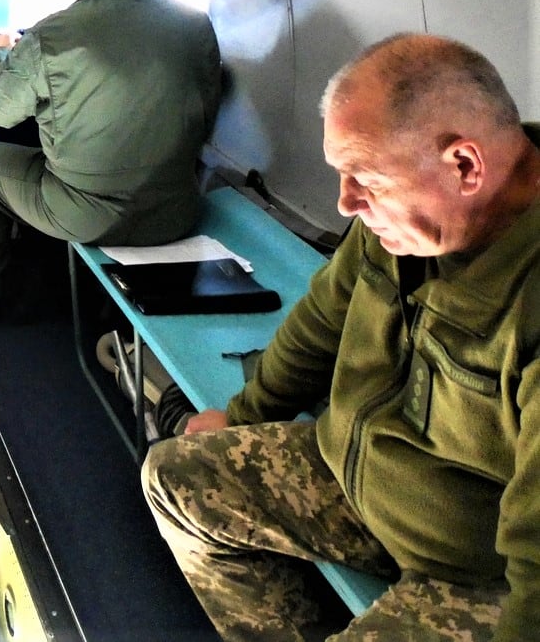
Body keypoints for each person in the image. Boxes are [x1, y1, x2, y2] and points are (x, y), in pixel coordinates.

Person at [143, 33, 540, 641]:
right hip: (358, 474)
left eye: (366, 179)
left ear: (464, 165)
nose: (346, 202)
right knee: (172, 479)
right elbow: (324, 319)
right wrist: (247, 415)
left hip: (476, 572)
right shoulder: (407, 223)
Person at [0, 0, 221, 324]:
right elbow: (205, 116)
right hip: (176, 210)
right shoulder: (196, 23)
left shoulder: (52, 35)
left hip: (86, 216)